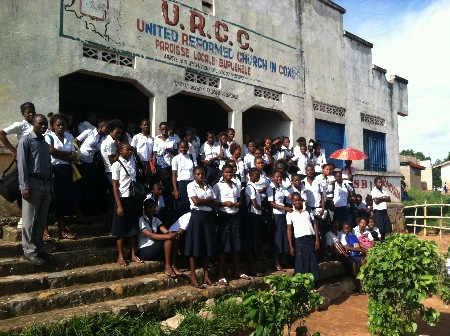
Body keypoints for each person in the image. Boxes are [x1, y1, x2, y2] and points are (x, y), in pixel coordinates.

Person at [17, 114, 53, 265]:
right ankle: (29, 251)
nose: (43, 126)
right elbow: (22, 165)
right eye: (40, 124)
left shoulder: (45, 143)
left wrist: (51, 186)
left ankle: (39, 248)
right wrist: (24, 186)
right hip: (33, 184)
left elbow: (49, 167)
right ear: (33, 123)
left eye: (45, 124)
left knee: (41, 220)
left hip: (46, 185)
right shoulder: (26, 140)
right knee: (29, 221)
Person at [0, 102, 36, 228]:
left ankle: (32, 217)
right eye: (28, 112)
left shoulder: (37, 125)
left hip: (35, 161)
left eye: (33, 111)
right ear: (23, 114)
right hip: (23, 159)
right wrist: (13, 151)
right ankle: (22, 218)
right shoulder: (21, 125)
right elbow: (2, 133)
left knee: (33, 187)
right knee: (23, 186)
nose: (31, 114)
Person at [214, 164, 250, 284]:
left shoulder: (235, 185)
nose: (229, 175)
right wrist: (224, 204)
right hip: (224, 216)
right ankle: (220, 274)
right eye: (226, 173)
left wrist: (238, 203)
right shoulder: (217, 186)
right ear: (222, 173)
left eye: (231, 173)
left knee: (236, 243)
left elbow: (239, 198)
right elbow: (214, 202)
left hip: (235, 215)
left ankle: (237, 271)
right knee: (224, 245)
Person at [45, 114, 79, 240]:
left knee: (62, 201)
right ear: (53, 126)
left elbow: (74, 156)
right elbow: (51, 152)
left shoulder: (69, 137)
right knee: (49, 201)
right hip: (53, 170)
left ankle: (62, 230)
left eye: (63, 125)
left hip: (65, 170)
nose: (60, 127)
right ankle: (45, 231)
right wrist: (67, 154)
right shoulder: (49, 136)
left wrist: (60, 155)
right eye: (58, 125)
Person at [185, 166, 218, 288]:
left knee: (207, 247)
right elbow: (196, 201)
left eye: (202, 174)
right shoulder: (191, 186)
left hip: (208, 217)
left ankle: (206, 276)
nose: (201, 176)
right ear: (194, 175)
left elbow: (216, 202)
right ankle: (193, 277)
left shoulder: (208, 186)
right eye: (198, 174)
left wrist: (207, 200)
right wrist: (209, 200)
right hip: (197, 217)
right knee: (195, 247)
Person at [111, 142, 142, 266]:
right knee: (120, 229)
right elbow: (115, 186)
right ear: (120, 151)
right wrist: (119, 205)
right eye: (127, 150)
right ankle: (120, 256)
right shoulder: (116, 165)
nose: (130, 152)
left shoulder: (132, 162)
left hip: (133, 198)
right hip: (122, 199)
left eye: (131, 150)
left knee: (133, 228)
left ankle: (133, 254)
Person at [138, 198, 179, 277]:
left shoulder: (156, 220)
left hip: (154, 247)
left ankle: (173, 265)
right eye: (150, 207)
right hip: (145, 250)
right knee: (168, 239)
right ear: (145, 209)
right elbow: (150, 235)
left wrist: (173, 234)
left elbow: (165, 231)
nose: (153, 209)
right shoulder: (141, 220)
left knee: (174, 239)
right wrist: (168, 236)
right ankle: (167, 267)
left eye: (154, 207)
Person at [74, 121, 106, 215]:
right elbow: (75, 141)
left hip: (90, 162)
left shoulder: (104, 138)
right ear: (101, 126)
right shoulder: (89, 132)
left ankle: (89, 209)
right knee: (80, 184)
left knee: (90, 185)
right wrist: (77, 153)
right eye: (106, 127)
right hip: (80, 160)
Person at [286, 192, 320, 281]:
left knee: (312, 260)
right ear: (292, 201)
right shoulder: (290, 213)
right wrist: (290, 246)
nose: (297, 202)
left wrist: (317, 239)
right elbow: (289, 230)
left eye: (299, 200)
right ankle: (302, 283)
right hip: (300, 240)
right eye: (295, 201)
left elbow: (314, 225)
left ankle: (314, 282)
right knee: (301, 261)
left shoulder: (308, 210)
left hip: (310, 239)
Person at [100, 119, 124, 232]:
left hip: (111, 172)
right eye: (117, 132)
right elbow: (112, 161)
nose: (119, 135)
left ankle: (111, 226)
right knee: (113, 200)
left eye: (120, 133)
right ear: (111, 131)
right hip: (110, 172)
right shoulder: (109, 143)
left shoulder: (111, 141)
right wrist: (120, 151)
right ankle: (110, 226)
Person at [267, 170, 293, 271]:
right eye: (277, 177)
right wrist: (285, 208)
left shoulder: (282, 187)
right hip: (276, 215)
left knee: (284, 237)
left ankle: (284, 260)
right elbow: (272, 203)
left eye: (280, 177)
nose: (279, 179)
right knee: (277, 238)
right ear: (273, 177)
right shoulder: (271, 188)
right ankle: (276, 262)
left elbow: (289, 196)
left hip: (283, 215)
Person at [244, 168, 265, 277]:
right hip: (252, 216)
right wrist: (263, 208)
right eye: (256, 176)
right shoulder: (250, 187)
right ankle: (252, 268)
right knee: (251, 242)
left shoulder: (254, 187)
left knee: (255, 240)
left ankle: (255, 266)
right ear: (251, 175)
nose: (258, 178)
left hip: (256, 216)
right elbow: (255, 204)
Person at [172, 140, 197, 217]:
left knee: (192, 204)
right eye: (181, 148)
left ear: (188, 147)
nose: (183, 149)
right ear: (178, 148)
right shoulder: (176, 158)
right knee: (182, 205)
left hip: (192, 183)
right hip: (181, 184)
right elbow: (174, 175)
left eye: (185, 147)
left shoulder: (192, 156)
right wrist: (175, 189)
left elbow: (196, 170)